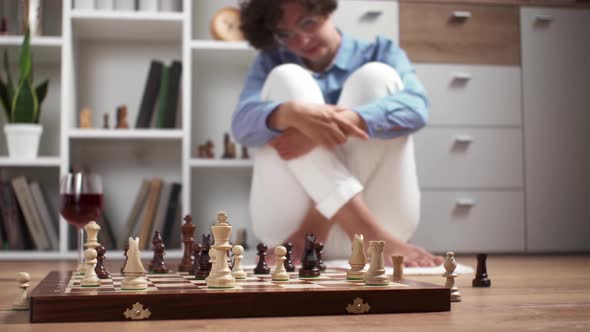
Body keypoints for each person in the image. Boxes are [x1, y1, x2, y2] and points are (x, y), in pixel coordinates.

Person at [232, 0, 443, 267]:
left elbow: (417, 107)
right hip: (287, 231)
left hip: (378, 220)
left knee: (376, 77)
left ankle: (321, 223)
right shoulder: (271, 60)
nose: (302, 40)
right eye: (286, 34)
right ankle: (366, 232)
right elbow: (241, 124)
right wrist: (291, 114)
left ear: (325, 9)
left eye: (307, 22)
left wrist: (334, 125)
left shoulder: (380, 51)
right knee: (286, 78)